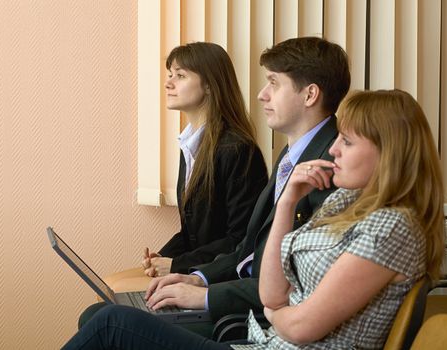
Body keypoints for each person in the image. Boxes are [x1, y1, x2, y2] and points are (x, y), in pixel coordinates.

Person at [62, 89, 445, 349]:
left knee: (110, 324)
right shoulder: (347, 199)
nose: (332, 148)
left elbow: (300, 325)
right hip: (262, 340)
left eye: (347, 140)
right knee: (103, 318)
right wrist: (288, 200)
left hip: (271, 343)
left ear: (389, 154)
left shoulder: (392, 228)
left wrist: (276, 312)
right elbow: (270, 292)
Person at [74, 36, 350, 335]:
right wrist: (198, 278)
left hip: (256, 320)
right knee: (98, 315)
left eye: (273, 83)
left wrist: (204, 293)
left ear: (310, 95)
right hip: (240, 295)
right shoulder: (291, 156)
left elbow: (295, 280)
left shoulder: (332, 167)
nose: (261, 95)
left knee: (105, 322)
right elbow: (249, 249)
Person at [141, 41, 268, 277]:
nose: (168, 83)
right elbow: (193, 233)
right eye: (170, 75)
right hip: (195, 275)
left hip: (219, 282)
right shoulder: (190, 146)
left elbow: (240, 240)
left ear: (209, 85)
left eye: (180, 75)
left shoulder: (238, 149)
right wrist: (165, 256)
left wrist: (177, 265)